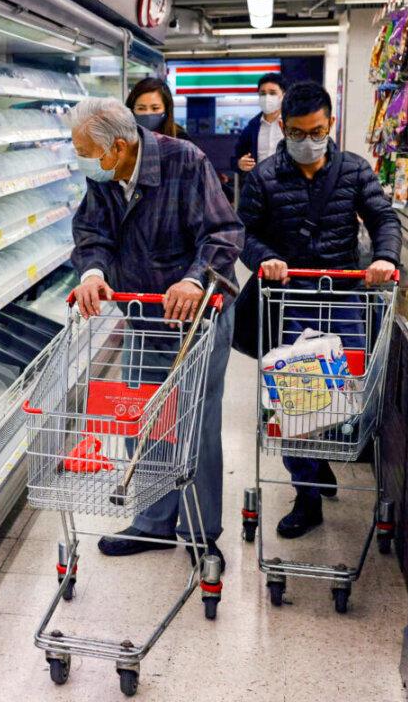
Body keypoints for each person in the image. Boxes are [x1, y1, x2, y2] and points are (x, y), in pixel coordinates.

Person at [68, 97, 243, 568]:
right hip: (142, 315)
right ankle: (152, 522)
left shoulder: (185, 161)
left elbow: (223, 233)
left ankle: (201, 531)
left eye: (84, 151)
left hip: (197, 318)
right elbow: (92, 232)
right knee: (143, 415)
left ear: (118, 147)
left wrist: (194, 279)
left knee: (194, 422)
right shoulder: (104, 176)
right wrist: (93, 273)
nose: (80, 159)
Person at [237, 80, 401, 539]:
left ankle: (322, 454)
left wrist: (385, 257)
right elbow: (243, 233)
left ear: (331, 125)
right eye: (296, 132)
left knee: (344, 391)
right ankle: (306, 493)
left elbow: (383, 217)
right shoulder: (264, 177)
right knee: (297, 400)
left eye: (316, 132)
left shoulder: (354, 170)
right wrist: (265, 258)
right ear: (283, 128)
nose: (307, 141)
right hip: (290, 299)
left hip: (344, 296)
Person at [233, 73, 286, 174]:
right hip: (259, 181)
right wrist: (240, 164)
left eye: (272, 93)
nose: (267, 97)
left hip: (287, 181)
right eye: (263, 93)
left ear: (283, 96)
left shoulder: (292, 124)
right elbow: (235, 159)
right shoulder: (252, 127)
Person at [126, 77, 192, 143]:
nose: (148, 113)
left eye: (155, 108)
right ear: (132, 110)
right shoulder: (125, 138)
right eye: (141, 108)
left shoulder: (181, 139)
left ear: (166, 109)